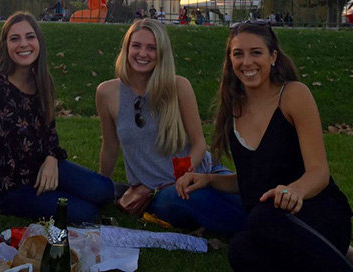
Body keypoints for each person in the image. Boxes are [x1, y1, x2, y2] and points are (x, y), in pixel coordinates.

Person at [177, 22, 353, 272]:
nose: (246, 62)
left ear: (273, 57)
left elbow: (319, 172)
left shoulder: (294, 95)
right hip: (271, 224)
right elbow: (253, 180)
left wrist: (294, 191)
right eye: (238, 54)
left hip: (315, 214)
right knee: (240, 249)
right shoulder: (233, 109)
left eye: (256, 52)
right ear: (230, 60)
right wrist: (208, 179)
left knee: (262, 218)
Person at [96, 18, 247, 235]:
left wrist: (184, 176)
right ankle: (261, 229)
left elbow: (198, 144)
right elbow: (109, 148)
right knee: (197, 199)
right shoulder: (107, 93)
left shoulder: (178, 86)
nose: (142, 53)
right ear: (126, 48)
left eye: (151, 48)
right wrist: (102, 191)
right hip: (159, 193)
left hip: (204, 172)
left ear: (162, 53)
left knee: (250, 192)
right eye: (136, 46)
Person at [0, 11, 113, 224]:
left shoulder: (42, 82)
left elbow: (50, 134)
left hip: (42, 167)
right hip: (9, 185)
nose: (23, 44)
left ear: (39, 41)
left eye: (30, 36)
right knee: (87, 213)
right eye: (14, 38)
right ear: (4, 45)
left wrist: (51, 159)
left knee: (104, 190)